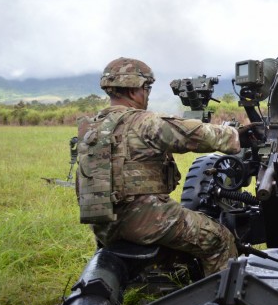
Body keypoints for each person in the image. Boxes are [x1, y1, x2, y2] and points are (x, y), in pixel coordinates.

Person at [76, 57, 257, 276]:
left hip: (104, 226)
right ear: (136, 90)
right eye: (147, 88)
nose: (147, 94)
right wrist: (236, 136)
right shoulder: (143, 122)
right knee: (218, 239)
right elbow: (193, 135)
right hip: (144, 220)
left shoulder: (90, 127)